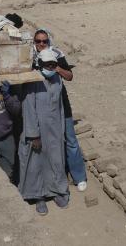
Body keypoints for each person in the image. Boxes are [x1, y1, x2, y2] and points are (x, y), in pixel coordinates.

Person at [32, 29, 87, 192]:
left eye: (45, 41)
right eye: (38, 41)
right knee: (46, 141)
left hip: (61, 102)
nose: (41, 44)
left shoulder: (56, 53)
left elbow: (69, 76)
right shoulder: (29, 55)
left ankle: (79, 176)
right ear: (34, 42)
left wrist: (56, 68)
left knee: (70, 139)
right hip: (41, 104)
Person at [18, 48, 70, 216]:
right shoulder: (32, 81)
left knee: (55, 160)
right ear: (40, 64)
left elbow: (59, 107)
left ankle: (56, 191)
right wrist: (33, 134)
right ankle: (39, 196)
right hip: (38, 132)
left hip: (54, 129)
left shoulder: (57, 80)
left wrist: (61, 129)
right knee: (36, 164)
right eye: (47, 64)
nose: (50, 67)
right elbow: (29, 108)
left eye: (53, 64)